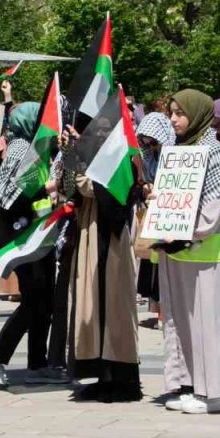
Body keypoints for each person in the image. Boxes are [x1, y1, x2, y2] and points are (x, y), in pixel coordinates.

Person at [0, 103, 68, 387]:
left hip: (36, 234)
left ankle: (37, 365)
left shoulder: (32, 148)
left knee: (43, 301)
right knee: (34, 300)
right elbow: (9, 196)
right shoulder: (21, 149)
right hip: (23, 237)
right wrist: (48, 188)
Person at [158, 89, 220, 415]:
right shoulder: (181, 150)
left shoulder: (213, 153)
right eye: (172, 113)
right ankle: (191, 385)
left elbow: (213, 210)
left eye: (180, 113)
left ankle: (215, 394)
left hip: (207, 255)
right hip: (180, 253)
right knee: (184, 325)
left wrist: (183, 230)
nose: (174, 120)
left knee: (209, 326)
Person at [67, 113, 143, 403]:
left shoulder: (122, 155)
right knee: (95, 306)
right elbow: (73, 186)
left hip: (110, 236)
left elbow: (103, 188)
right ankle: (102, 374)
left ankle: (121, 379)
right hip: (92, 231)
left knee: (114, 307)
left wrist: (82, 165)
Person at [135, 113, 175, 321]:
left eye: (153, 140)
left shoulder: (173, 153)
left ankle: (166, 311)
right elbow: (143, 179)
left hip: (171, 213)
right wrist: (146, 187)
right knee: (154, 263)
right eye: (145, 141)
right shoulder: (148, 154)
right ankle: (159, 309)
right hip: (152, 211)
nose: (149, 145)